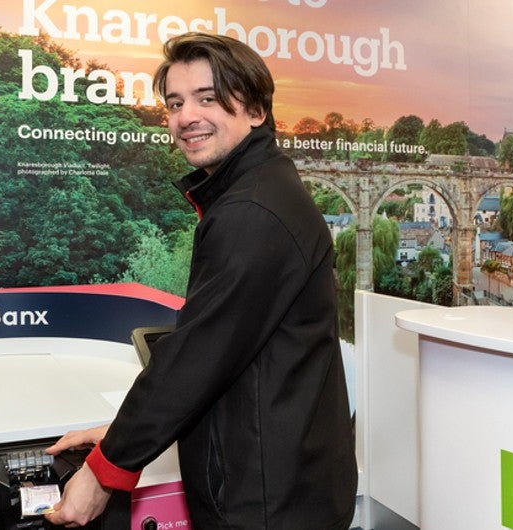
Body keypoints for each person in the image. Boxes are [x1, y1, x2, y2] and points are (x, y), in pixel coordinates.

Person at [45, 32, 357, 529]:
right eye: (174, 103)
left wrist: (105, 470)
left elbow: (196, 358)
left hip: (265, 499)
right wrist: (119, 434)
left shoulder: (251, 212)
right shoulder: (263, 190)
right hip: (283, 478)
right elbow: (226, 362)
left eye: (207, 98)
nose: (185, 116)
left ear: (255, 110)